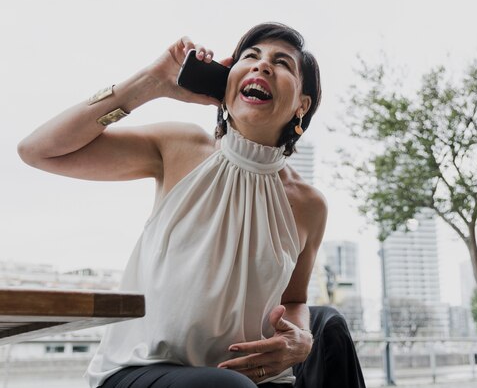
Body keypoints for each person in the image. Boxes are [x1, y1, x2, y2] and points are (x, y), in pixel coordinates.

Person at [18, 22, 365, 388]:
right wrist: (150, 83)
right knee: (227, 387)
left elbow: (294, 299)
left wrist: (299, 338)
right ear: (228, 82)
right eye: (250, 56)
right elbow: (38, 150)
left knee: (329, 329)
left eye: (281, 63)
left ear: (302, 105)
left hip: (253, 377)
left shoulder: (309, 205)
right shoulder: (179, 146)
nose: (262, 65)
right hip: (143, 368)